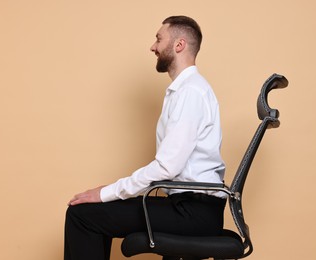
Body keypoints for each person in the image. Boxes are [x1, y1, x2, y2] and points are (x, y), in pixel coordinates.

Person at [64, 15, 226, 260]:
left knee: (82, 216)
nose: (153, 47)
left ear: (179, 45)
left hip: (193, 212)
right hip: (188, 206)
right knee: (92, 211)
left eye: (159, 39)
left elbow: (166, 167)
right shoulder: (185, 90)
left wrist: (105, 192)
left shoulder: (190, 92)